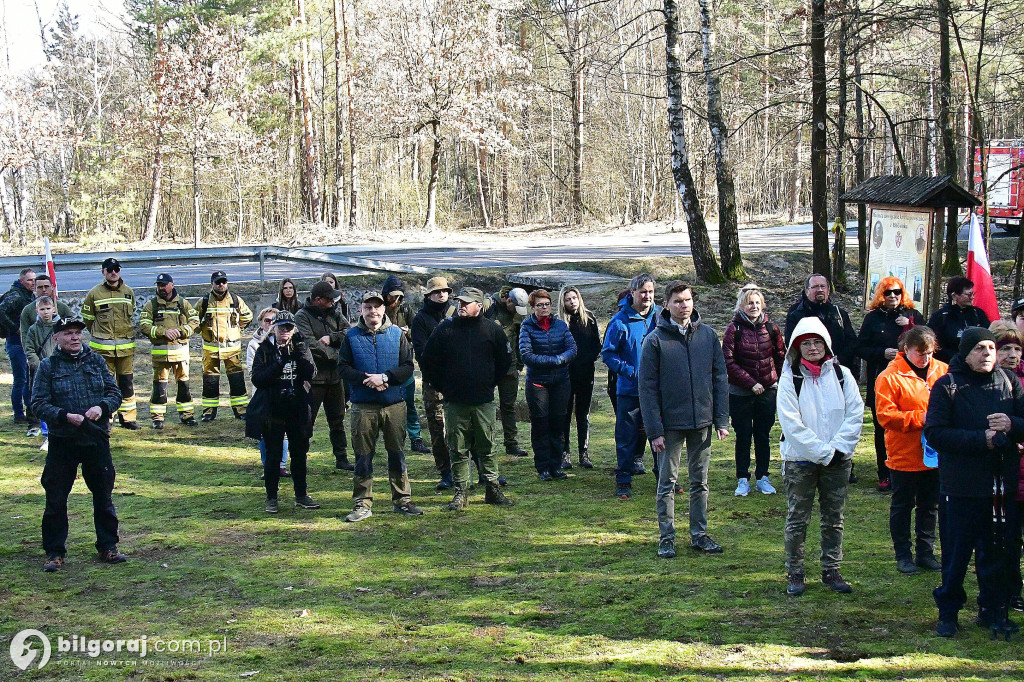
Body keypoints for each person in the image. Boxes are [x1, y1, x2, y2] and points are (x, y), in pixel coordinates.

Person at [925, 327, 1024, 637]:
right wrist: (981, 440)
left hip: (1000, 486)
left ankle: (993, 610)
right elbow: (936, 433)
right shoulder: (948, 386)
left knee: (996, 552)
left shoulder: (1010, 383)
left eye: (991, 348)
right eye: (980, 348)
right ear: (965, 353)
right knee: (956, 554)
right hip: (961, 486)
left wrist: (1012, 424)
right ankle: (949, 613)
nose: (988, 354)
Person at [640, 281, 729, 558]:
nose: (684, 305)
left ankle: (699, 535)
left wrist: (721, 420)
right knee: (667, 482)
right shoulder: (655, 340)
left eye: (688, 300)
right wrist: (655, 430)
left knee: (699, 482)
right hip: (670, 426)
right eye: (678, 301)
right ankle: (666, 537)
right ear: (666, 305)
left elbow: (719, 378)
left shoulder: (709, 336)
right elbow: (647, 387)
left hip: (701, 422)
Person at [778, 317, 864, 596]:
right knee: (797, 519)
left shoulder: (843, 375)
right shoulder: (790, 378)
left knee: (834, 518)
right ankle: (795, 572)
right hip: (800, 461)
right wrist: (824, 452)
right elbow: (791, 424)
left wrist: (838, 450)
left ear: (826, 344)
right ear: (796, 347)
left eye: (817, 342)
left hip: (838, 461)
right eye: (806, 343)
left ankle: (832, 570)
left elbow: (855, 414)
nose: (813, 347)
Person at [31, 316, 125, 572]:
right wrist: (64, 416)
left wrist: (101, 407)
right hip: (63, 441)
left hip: (95, 439)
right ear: (56, 338)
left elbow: (115, 393)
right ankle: (54, 552)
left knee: (103, 495)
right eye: (69, 333)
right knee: (56, 498)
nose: (74, 337)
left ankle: (108, 546)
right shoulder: (48, 367)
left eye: (78, 333)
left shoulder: (96, 361)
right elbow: (38, 403)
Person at [421, 287, 514, 510]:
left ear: (479, 306)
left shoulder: (493, 330)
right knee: (457, 448)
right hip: (454, 402)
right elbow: (428, 361)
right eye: (460, 302)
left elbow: (504, 362)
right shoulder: (445, 329)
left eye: (466, 303)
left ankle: (492, 489)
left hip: (483, 401)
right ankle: (460, 492)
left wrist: (488, 382)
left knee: (488, 446)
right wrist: (444, 386)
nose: (461, 306)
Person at [338, 291, 423, 522]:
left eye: (377, 307)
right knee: (363, 456)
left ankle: (402, 499)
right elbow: (343, 367)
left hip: (394, 404)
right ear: (361, 310)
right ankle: (362, 502)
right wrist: (366, 378)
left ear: (384, 309)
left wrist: (385, 378)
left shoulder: (397, 334)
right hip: (363, 406)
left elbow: (407, 366)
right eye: (368, 307)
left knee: (397, 453)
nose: (372, 311)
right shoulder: (351, 336)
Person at [874, 325, 947, 575]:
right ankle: (903, 554)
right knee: (903, 505)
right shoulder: (889, 376)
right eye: (920, 353)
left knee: (930, 505)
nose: (926, 358)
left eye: (930, 352)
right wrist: (921, 418)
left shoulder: (943, 371)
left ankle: (926, 552)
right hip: (904, 452)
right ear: (907, 349)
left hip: (935, 453)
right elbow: (886, 416)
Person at [857, 276, 925, 492]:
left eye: (896, 292)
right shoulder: (873, 318)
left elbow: (929, 340)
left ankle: (915, 468)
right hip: (882, 376)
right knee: (882, 426)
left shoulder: (913, 314)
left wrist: (912, 325)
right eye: (888, 293)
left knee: (912, 423)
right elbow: (860, 347)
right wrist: (881, 353)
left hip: (912, 381)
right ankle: (884, 473)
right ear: (881, 295)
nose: (893, 296)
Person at [247, 311, 319, 514]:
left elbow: (311, 373)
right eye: (281, 327)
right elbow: (258, 379)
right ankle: (271, 497)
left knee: (299, 453)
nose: (285, 331)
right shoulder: (265, 349)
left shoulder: (300, 347)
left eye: (289, 327)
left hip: (297, 407)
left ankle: (301, 495)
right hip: (273, 408)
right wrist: (280, 363)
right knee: (273, 455)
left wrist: (301, 351)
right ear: (274, 328)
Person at [602, 273, 662, 499]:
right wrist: (631, 372)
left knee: (660, 434)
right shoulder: (619, 322)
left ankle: (664, 478)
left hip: (657, 390)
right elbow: (608, 354)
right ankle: (624, 480)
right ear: (633, 293)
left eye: (651, 292)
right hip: (629, 390)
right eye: (643, 292)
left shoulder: (660, 318)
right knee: (627, 437)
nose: (647, 296)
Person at [722, 285, 785, 497]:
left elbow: (780, 355)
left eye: (757, 303)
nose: (754, 306)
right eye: (750, 303)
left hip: (767, 391)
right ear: (742, 305)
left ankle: (763, 477)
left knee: (763, 434)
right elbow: (728, 362)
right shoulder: (734, 329)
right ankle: (742, 478)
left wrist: (772, 380)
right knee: (743, 436)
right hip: (740, 393)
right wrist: (750, 383)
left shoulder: (772, 328)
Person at [519, 289, 577, 481]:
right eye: (539, 305)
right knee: (541, 425)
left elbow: (572, 348)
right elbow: (526, 354)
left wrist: (560, 359)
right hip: (538, 383)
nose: (544, 308)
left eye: (546, 304)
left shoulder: (560, 325)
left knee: (558, 424)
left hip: (561, 381)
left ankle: (557, 465)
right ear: (532, 307)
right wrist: (552, 361)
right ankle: (543, 467)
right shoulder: (526, 327)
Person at [295, 280, 352, 470]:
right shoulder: (302, 316)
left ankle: (341, 458)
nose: (332, 302)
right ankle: (300, 457)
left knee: (337, 420)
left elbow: (348, 332)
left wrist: (332, 338)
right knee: (306, 421)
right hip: (314, 379)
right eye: (329, 299)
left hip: (335, 378)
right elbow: (310, 344)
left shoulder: (335, 313)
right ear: (317, 300)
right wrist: (337, 355)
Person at [81, 258, 139, 429]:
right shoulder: (94, 294)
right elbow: (89, 320)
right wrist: (101, 336)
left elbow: (131, 316)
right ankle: (105, 417)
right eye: (110, 269)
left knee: (126, 383)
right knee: (105, 385)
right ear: (103, 272)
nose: (113, 272)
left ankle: (128, 418)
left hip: (125, 350)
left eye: (116, 269)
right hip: (102, 350)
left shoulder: (129, 292)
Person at [990, 322, 1024, 613]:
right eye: (1005, 348)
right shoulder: (988, 381)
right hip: (1002, 474)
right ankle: (1010, 589)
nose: (1012, 354)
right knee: (1007, 537)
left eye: (1017, 348)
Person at [411, 276, 456, 490]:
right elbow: (421, 353)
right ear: (428, 295)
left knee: (466, 425)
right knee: (438, 427)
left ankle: (475, 469)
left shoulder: (456, 313)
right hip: (434, 381)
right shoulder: (420, 319)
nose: (442, 295)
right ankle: (445, 471)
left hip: (459, 379)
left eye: (445, 291)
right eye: (437, 292)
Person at [139, 273, 199, 429]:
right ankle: (157, 418)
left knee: (184, 385)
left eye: (164, 284)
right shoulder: (151, 305)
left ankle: (187, 415)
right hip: (161, 356)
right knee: (159, 387)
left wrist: (180, 331)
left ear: (172, 285)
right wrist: (162, 332)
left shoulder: (183, 304)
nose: (161, 288)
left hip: (181, 354)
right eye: (159, 285)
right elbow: (144, 326)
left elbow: (195, 321)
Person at [380, 274, 430, 455]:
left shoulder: (406, 309)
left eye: (399, 295)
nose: (396, 299)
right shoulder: (378, 307)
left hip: (404, 360)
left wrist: (405, 333)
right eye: (393, 295)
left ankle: (415, 438)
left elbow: (416, 333)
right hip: (383, 362)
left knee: (409, 402)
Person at [18, 274, 71, 437]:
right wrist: (35, 362)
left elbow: (71, 334)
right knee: (36, 392)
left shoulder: (61, 307)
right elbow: (26, 338)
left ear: (52, 287)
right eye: (39, 287)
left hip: (60, 363)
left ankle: (64, 420)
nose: (43, 290)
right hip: (39, 362)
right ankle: (34, 423)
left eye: (46, 286)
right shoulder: (28, 311)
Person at [197, 271, 253, 422]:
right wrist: (201, 330)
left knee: (237, 380)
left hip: (232, 349)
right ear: (212, 284)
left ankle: (241, 411)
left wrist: (237, 329)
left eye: (223, 282)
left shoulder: (235, 299)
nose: (221, 285)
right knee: (210, 381)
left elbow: (248, 316)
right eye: (218, 282)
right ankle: (208, 412)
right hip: (211, 349)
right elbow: (193, 319)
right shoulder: (204, 301)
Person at [485, 286, 530, 457]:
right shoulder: (489, 306)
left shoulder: (520, 310)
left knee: (508, 406)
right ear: (508, 300)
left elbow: (521, 336)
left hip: (510, 366)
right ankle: (486, 445)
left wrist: (519, 364)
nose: (517, 312)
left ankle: (511, 444)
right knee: (485, 406)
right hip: (488, 366)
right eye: (515, 307)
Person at [559, 286, 600, 469]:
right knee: (565, 414)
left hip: (585, 373)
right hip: (565, 375)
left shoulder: (589, 319)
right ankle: (565, 452)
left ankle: (584, 452)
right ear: (563, 302)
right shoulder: (559, 322)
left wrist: (588, 360)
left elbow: (596, 345)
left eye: (574, 298)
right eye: (568, 299)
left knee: (583, 414)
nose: (572, 302)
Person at [247, 307, 288, 480]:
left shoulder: (289, 343)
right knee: (266, 433)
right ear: (261, 323)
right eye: (267, 321)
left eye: (274, 320)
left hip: (284, 394)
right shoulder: (255, 344)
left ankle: (282, 465)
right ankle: (267, 465)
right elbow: (253, 372)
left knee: (284, 432)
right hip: (263, 394)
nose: (270, 323)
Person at [927, 275, 993, 364]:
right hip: (948, 364)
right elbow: (935, 345)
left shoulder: (978, 314)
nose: (972, 297)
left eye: (973, 294)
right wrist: (958, 357)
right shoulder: (940, 317)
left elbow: (989, 334)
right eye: (968, 294)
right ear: (954, 296)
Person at [0, 267, 36, 425]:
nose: (33, 283)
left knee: (28, 378)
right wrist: (16, 328)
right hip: (15, 342)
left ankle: (29, 411)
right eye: (29, 280)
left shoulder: (28, 294)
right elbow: (1, 312)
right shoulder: (16, 295)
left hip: (26, 342)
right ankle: (18, 414)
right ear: (21, 281)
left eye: (34, 280)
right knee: (21, 379)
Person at [24, 297, 58, 450]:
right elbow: (29, 349)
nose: (45, 312)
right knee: (43, 404)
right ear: (37, 311)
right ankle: (47, 435)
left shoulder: (59, 327)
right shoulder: (33, 329)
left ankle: (58, 434)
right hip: (40, 372)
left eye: (48, 309)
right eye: (42, 309)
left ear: (53, 309)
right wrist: (38, 365)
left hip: (58, 370)